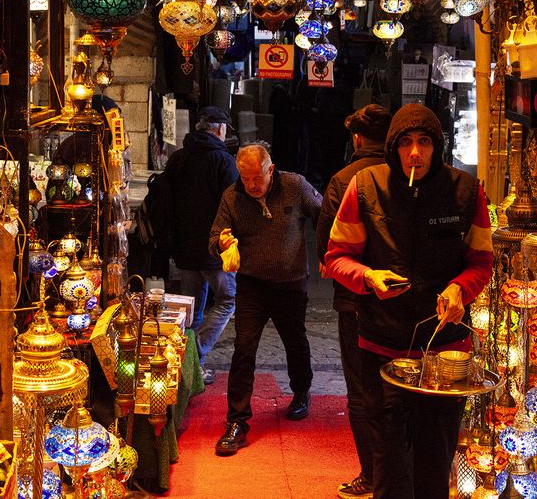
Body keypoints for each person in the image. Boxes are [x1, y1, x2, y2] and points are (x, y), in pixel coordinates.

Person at [324, 104, 493, 499]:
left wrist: (459, 290)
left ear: (437, 146)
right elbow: (335, 257)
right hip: (381, 347)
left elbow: (481, 262)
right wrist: (367, 277)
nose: (414, 153)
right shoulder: (365, 186)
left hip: (444, 354)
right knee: (388, 461)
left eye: (424, 142)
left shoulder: (466, 191)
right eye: (406, 143)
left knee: (436, 459)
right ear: (393, 147)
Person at [209, 143, 322, 456]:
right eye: (245, 178)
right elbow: (214, 236)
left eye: (256, 177)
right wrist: (221, 242)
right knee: (243, 349)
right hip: (252, 286)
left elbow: (325, 213)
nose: (251, 185)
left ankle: (301, 392)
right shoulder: (232, 196)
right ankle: (237, 421)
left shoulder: (295, 186)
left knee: (295, 342)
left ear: (271, 169)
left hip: (291, 283)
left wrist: (326, 251)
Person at [316, 104, 391, 499]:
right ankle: (398, 470)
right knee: (400, 384)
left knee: (362, 389)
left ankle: (372, 474)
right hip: (401, 298)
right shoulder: (410, 177)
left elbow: (325, 244)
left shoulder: (345, 179)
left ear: (357, 139)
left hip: (356, 299)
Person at [163, 106, 239, 385]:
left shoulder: (178, 158)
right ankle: (193, 356)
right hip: (214, 248)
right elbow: (234, 205)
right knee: (227, 301)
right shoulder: (223, 161)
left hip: (184, 246)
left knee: (191, 309)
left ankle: (189, 367)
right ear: (219, 129)